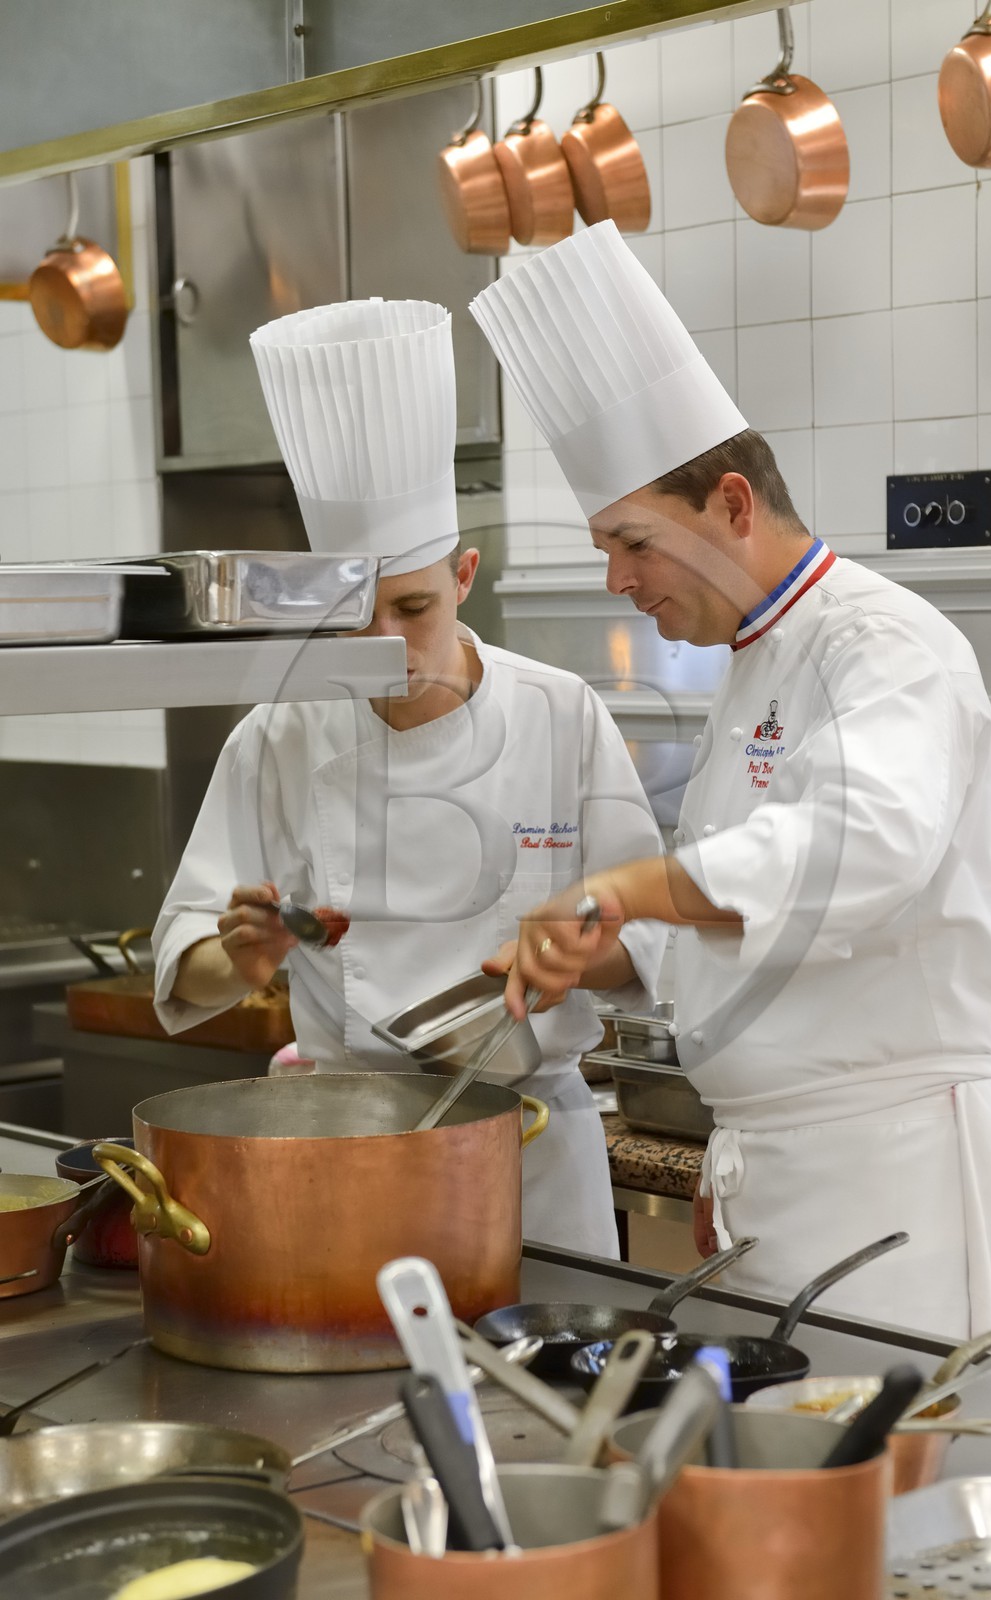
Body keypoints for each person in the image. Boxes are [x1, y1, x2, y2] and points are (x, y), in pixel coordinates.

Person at [470, 221, 991, 1353]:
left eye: (632, 542)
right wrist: (601, 951)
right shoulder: (755, 663)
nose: (616, 579)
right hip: (787, 1186)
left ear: (733, 506)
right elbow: (742, 923)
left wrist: (632, 887)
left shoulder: (885, 643)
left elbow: (855, 851)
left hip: (901, 1204)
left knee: (899, 1501)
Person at [152, 297, 665, 1259]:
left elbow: (646, 942)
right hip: (348, 1149)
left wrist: (573, 958)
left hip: (534, 1156)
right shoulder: (278, 736)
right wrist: (248, 958)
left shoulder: (561, 714)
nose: (385, 644)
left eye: (414, 608)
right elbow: (190, 967)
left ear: (465, 574)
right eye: (353, 615)